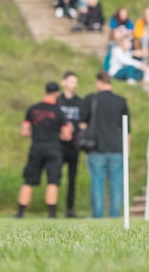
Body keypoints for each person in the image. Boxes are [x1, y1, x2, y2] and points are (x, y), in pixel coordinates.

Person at [16, 82, 74, 218]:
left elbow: (24, 132)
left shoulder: (33, 109)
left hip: (36, 146)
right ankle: (51, 213)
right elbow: (67, 135)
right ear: (57, 94)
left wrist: (37, 134)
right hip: (54, 148)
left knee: (29, 180)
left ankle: (20, 212)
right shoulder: (59, 112)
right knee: (53, 180)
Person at [81, 72, 131, 218]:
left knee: (97, 182)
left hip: (96, 148)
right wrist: (127, 150)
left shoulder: (91, 99)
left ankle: (98, 215)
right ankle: (115, 215)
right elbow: (127, 129)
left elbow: (83, 124)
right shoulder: (121, 101)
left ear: (99, 82)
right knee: (116, 184)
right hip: (117, 148)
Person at [57, 71, 85, 218]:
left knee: (72, 179)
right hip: (58, 146)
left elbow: (84, 122)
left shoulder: (80, 102)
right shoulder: (57, 101)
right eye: (71, 81)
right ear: (64, 82)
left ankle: (70, 209)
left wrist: (76, 129)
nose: (74, 85)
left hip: (73, 145)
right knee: (55, 177)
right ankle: (52, 208)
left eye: (76, 82)